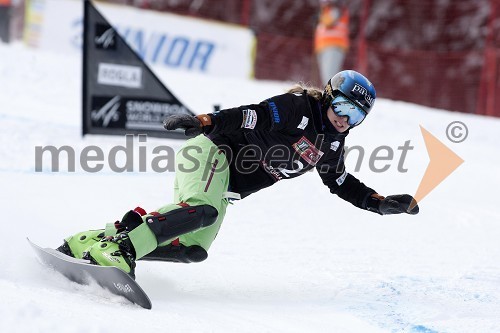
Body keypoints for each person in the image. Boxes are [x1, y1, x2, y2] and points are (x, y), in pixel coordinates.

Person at [57, 70, 419, 278]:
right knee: (203, 209)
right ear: (327, 97)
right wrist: (205, 121)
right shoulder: (298, 108)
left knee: (193, 249)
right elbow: (252, 115)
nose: (344, 118)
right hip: (211, 152)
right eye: (342, 106)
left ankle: (95, 239)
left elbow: (339, 182)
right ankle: (123, 250)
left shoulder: (332, 143)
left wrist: (379, 203)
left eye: (355, 116)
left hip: (225, 181)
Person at [314, 0, 350, 84]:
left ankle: (334, 95)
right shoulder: (326, 12)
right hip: (323, 47)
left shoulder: (337, 10)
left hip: (334, 46)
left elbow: (328, 22)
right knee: (326, 76)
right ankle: (332, 94)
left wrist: (320, 16)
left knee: (330, 75)